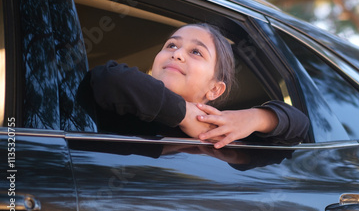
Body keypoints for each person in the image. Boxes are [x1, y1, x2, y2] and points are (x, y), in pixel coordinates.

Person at [77, 23, 309, 148]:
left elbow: (300, 126)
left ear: (215, 89)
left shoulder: (222, 135)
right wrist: (184, 113)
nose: (177, 54)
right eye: (171, 45)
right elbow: (106, 79)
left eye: (196, 52)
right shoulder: (125, 107)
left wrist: (255, 118)